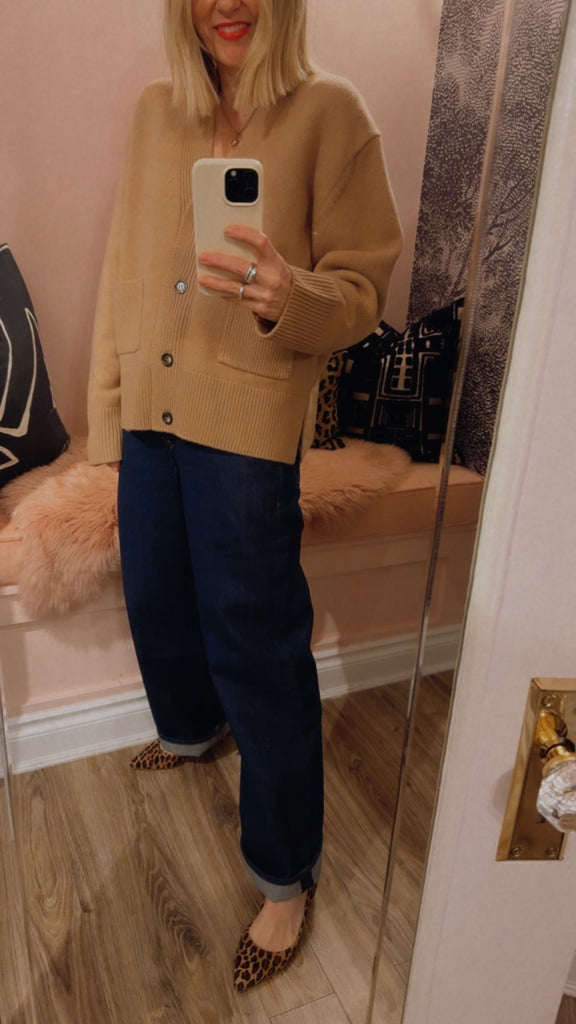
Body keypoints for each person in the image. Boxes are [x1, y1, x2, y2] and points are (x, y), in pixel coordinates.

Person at [87, 0, 402, 993]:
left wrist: (288, 295)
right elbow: (124, 272)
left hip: (248, 423)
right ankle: (192, 728)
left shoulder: (331, 113)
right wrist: (108, 421)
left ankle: (283, 872)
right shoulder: (156, 111)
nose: (227, 1)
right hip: (151, 414)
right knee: (157, 592)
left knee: (258, 645)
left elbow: (363, 287)